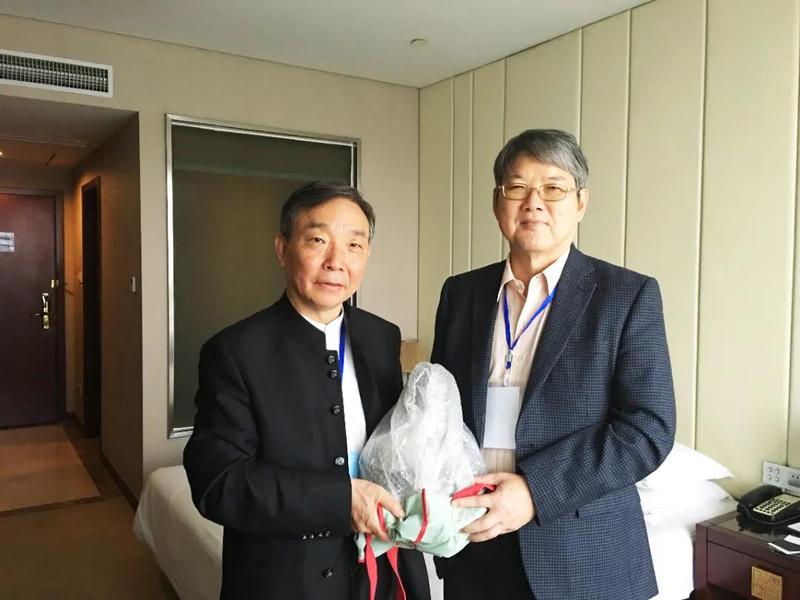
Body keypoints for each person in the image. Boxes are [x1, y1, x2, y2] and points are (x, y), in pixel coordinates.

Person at [430, 129, 676, 600]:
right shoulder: (460, 293)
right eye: (517, 187)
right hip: (473, 543)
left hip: (580, 556)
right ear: (497, 201)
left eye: (553, 188)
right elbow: (440, 412)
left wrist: (534, 491)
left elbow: (648, 429)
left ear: (581, 202)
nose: (533, 203)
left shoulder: (626, 296)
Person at [184, 182, 430, 600]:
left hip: (381, 570)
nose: (336, 262)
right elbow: (219, 483)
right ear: (282, 249)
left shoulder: (381, 337)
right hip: (284, 580)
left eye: (354, 245)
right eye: (318, 240)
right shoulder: (235, 351)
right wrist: (341, 500)